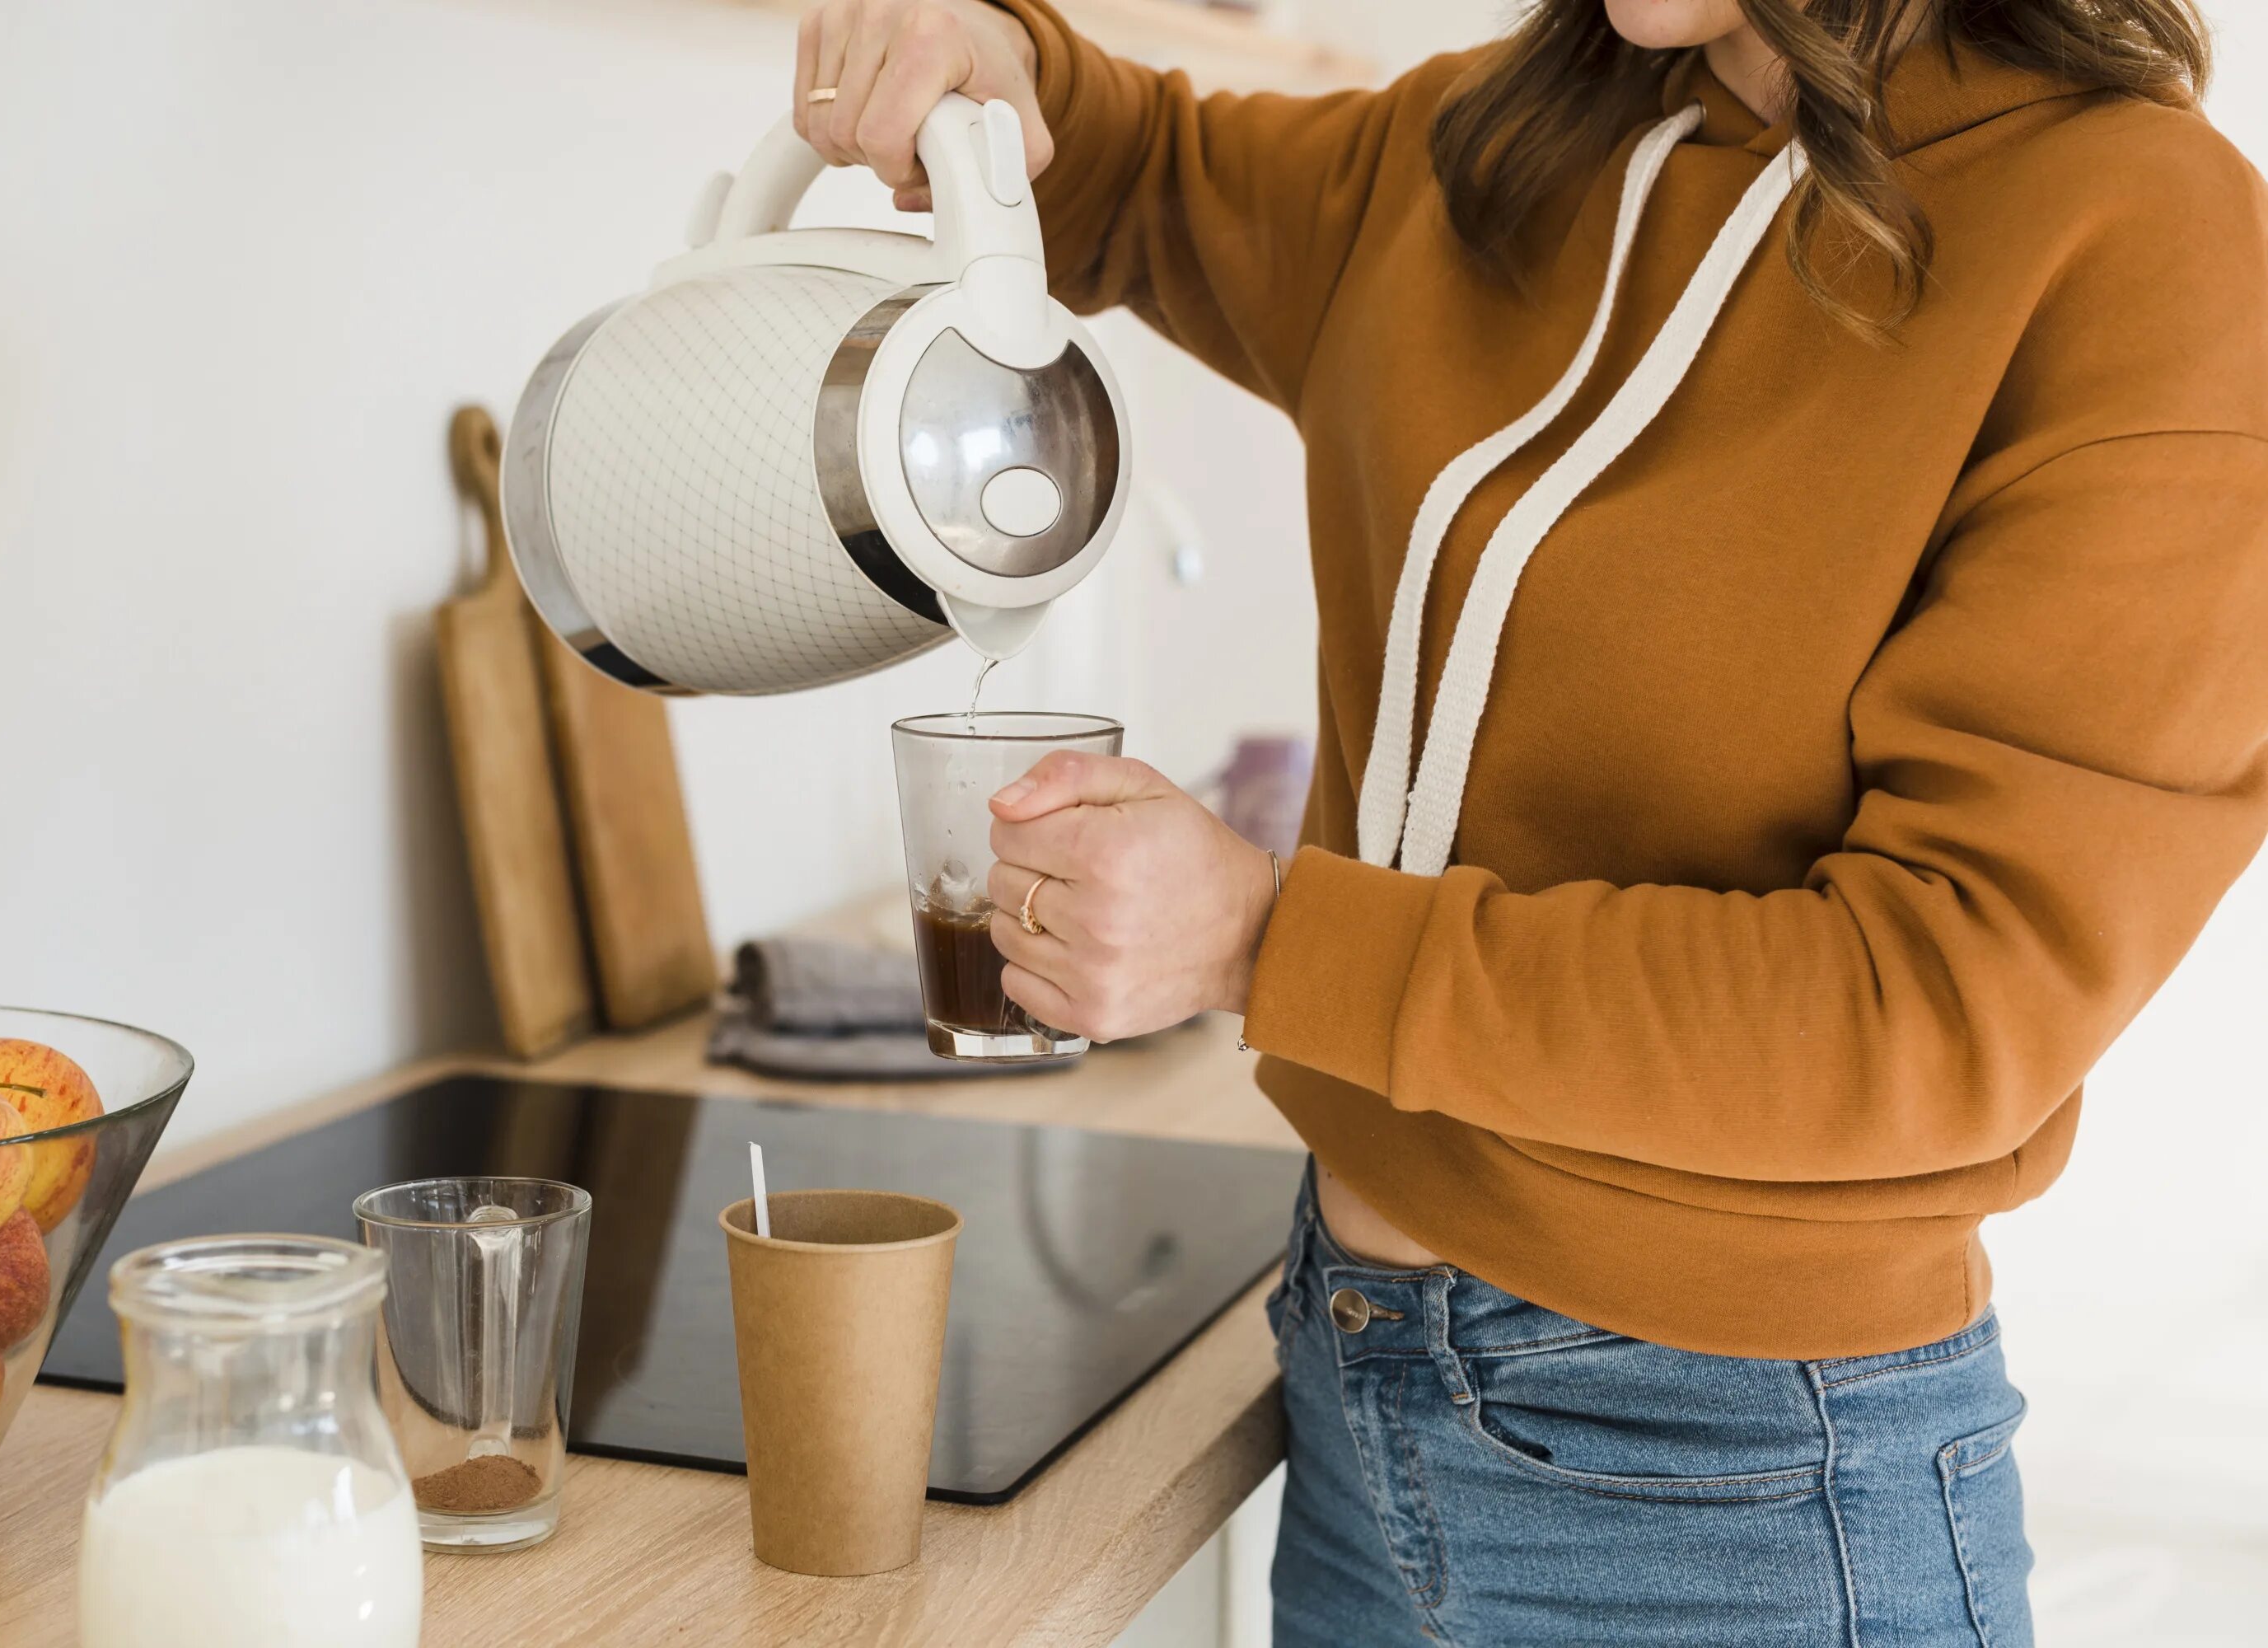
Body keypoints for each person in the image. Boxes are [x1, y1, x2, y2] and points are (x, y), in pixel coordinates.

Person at [793, 1, 2263, 1641]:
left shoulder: (2138, 234)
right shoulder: (1506, 143)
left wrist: (1266, 935)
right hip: (1360, 1406)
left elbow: (1944, 1000)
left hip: (1742, 1492)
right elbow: (1144, 168)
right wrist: (998, 69)